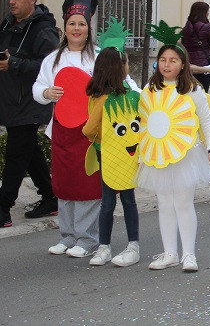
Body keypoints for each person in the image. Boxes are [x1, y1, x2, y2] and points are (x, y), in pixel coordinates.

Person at [0, 0, 60, 230]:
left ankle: (3, 209)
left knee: (15, 155)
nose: (11, 2)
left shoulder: (44, 30)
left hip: (29, 103)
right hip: (8, 99)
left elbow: (48, 68)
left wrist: (14, 64)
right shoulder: (7, 23)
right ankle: (50, 197)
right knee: (29, 151)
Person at [137, 37, 210, 271]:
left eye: (173, 60)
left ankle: (189, 255)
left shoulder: (193, 90)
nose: (166, 65)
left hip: (187, 155)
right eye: (162, 60)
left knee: (183, 203)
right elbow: (145, 120)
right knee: (164, 203)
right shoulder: (150, 89)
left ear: (183, 64)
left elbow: (206, 121)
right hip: (159, 154)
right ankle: (169, 253)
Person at [32, 0, 101, 257]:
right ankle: (67, 235)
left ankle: (87, 239)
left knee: (88, 185)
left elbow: (122, 86)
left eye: (81, 24)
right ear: (65, 26)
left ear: (88, 27)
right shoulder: (53, 60)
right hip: (61, 130)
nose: (77, 28)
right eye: (72, 23)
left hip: (90, 133)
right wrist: (47, 93)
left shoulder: (98, 58)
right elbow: (37, 88)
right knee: (64, 183)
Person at [83, 47, 141, 267]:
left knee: (107, 202)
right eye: (125, 63)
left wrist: (100, 136)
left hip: (105, 152)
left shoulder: (99, 97)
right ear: (119, 68)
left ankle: (104, 246)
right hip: (125, 153)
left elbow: (88, 130)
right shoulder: (125, 97)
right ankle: (132, 244)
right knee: (128, 200)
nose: (128, 67)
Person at [181, 2, 210, 92]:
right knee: (203, 93)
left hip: (188, 66)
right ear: (204, 13)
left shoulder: (186, 28)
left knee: (188, 92)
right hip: (202, 67)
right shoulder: (207, 27)